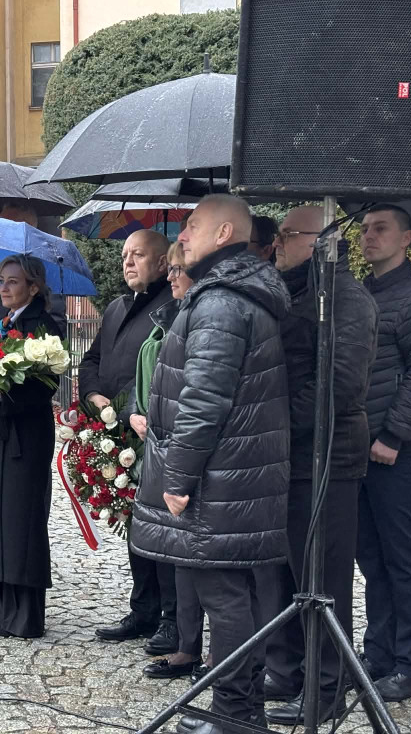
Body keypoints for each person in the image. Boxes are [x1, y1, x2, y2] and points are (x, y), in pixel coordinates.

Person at [130, 194, 291, 734]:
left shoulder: (221, 302)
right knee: (232, 596)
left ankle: (236, 717)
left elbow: (204, 397)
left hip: (220, 481)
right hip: (235, 476)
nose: (182, 235)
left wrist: (177, 476)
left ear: (224, 235)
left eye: (193, 226)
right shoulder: (231, 294)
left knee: (224, 599)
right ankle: (241, 713)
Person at [262, 206, 378, 725]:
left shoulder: (346, 298)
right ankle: (287, 672)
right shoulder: (293, 291)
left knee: (324, 579)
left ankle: (326, 689)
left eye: (289, 234)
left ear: (323, 240)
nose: (278, 242)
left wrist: (280, 424)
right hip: (291, 455)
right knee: (288, 573)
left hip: (329, 457)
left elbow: (339, 385)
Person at [355, 204, 411, 702]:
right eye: (366, 230)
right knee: (371, 558)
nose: (369, 237)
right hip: (360, 449)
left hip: (398, 450)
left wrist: (392, 436)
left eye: (381, 229)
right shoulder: (364, 295)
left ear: (407, 238)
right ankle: (378, 655)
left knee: (402, 558)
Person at [78, 229, 178, 655]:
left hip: (150, 432)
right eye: (124, 255)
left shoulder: (171, 307)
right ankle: (143, 608)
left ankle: (174, 620)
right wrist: (93, 396)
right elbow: (92, 359)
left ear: (161, 262)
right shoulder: (118, 307)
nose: (127, 262)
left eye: (138, 255)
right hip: (116, 430)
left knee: (163, 530)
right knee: (135, 526)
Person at [0, 255, 63, 638]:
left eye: (14, 282)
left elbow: (47, 384)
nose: (4, 288)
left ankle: (25, 615)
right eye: (1, 281)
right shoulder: (1, 325)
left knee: (21, 519)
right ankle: (1, 607)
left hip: (26, 435)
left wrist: (3, 395)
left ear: (33, 287)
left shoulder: (44, 326)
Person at [133, 242, 204, 681]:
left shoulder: (204, 317)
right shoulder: (168, 319)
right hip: (161, 445)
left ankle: (221, 657)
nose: (172, 277)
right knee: (177, 554)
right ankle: (185, 641)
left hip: (190, 452)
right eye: (172, 269)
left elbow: (200, 395)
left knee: (203, 562)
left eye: (180, 269)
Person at [0, 202, 67, 332]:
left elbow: (54, 322)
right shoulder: (0, 263)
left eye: (6, 226)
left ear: (28, 228)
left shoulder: (45, 266)